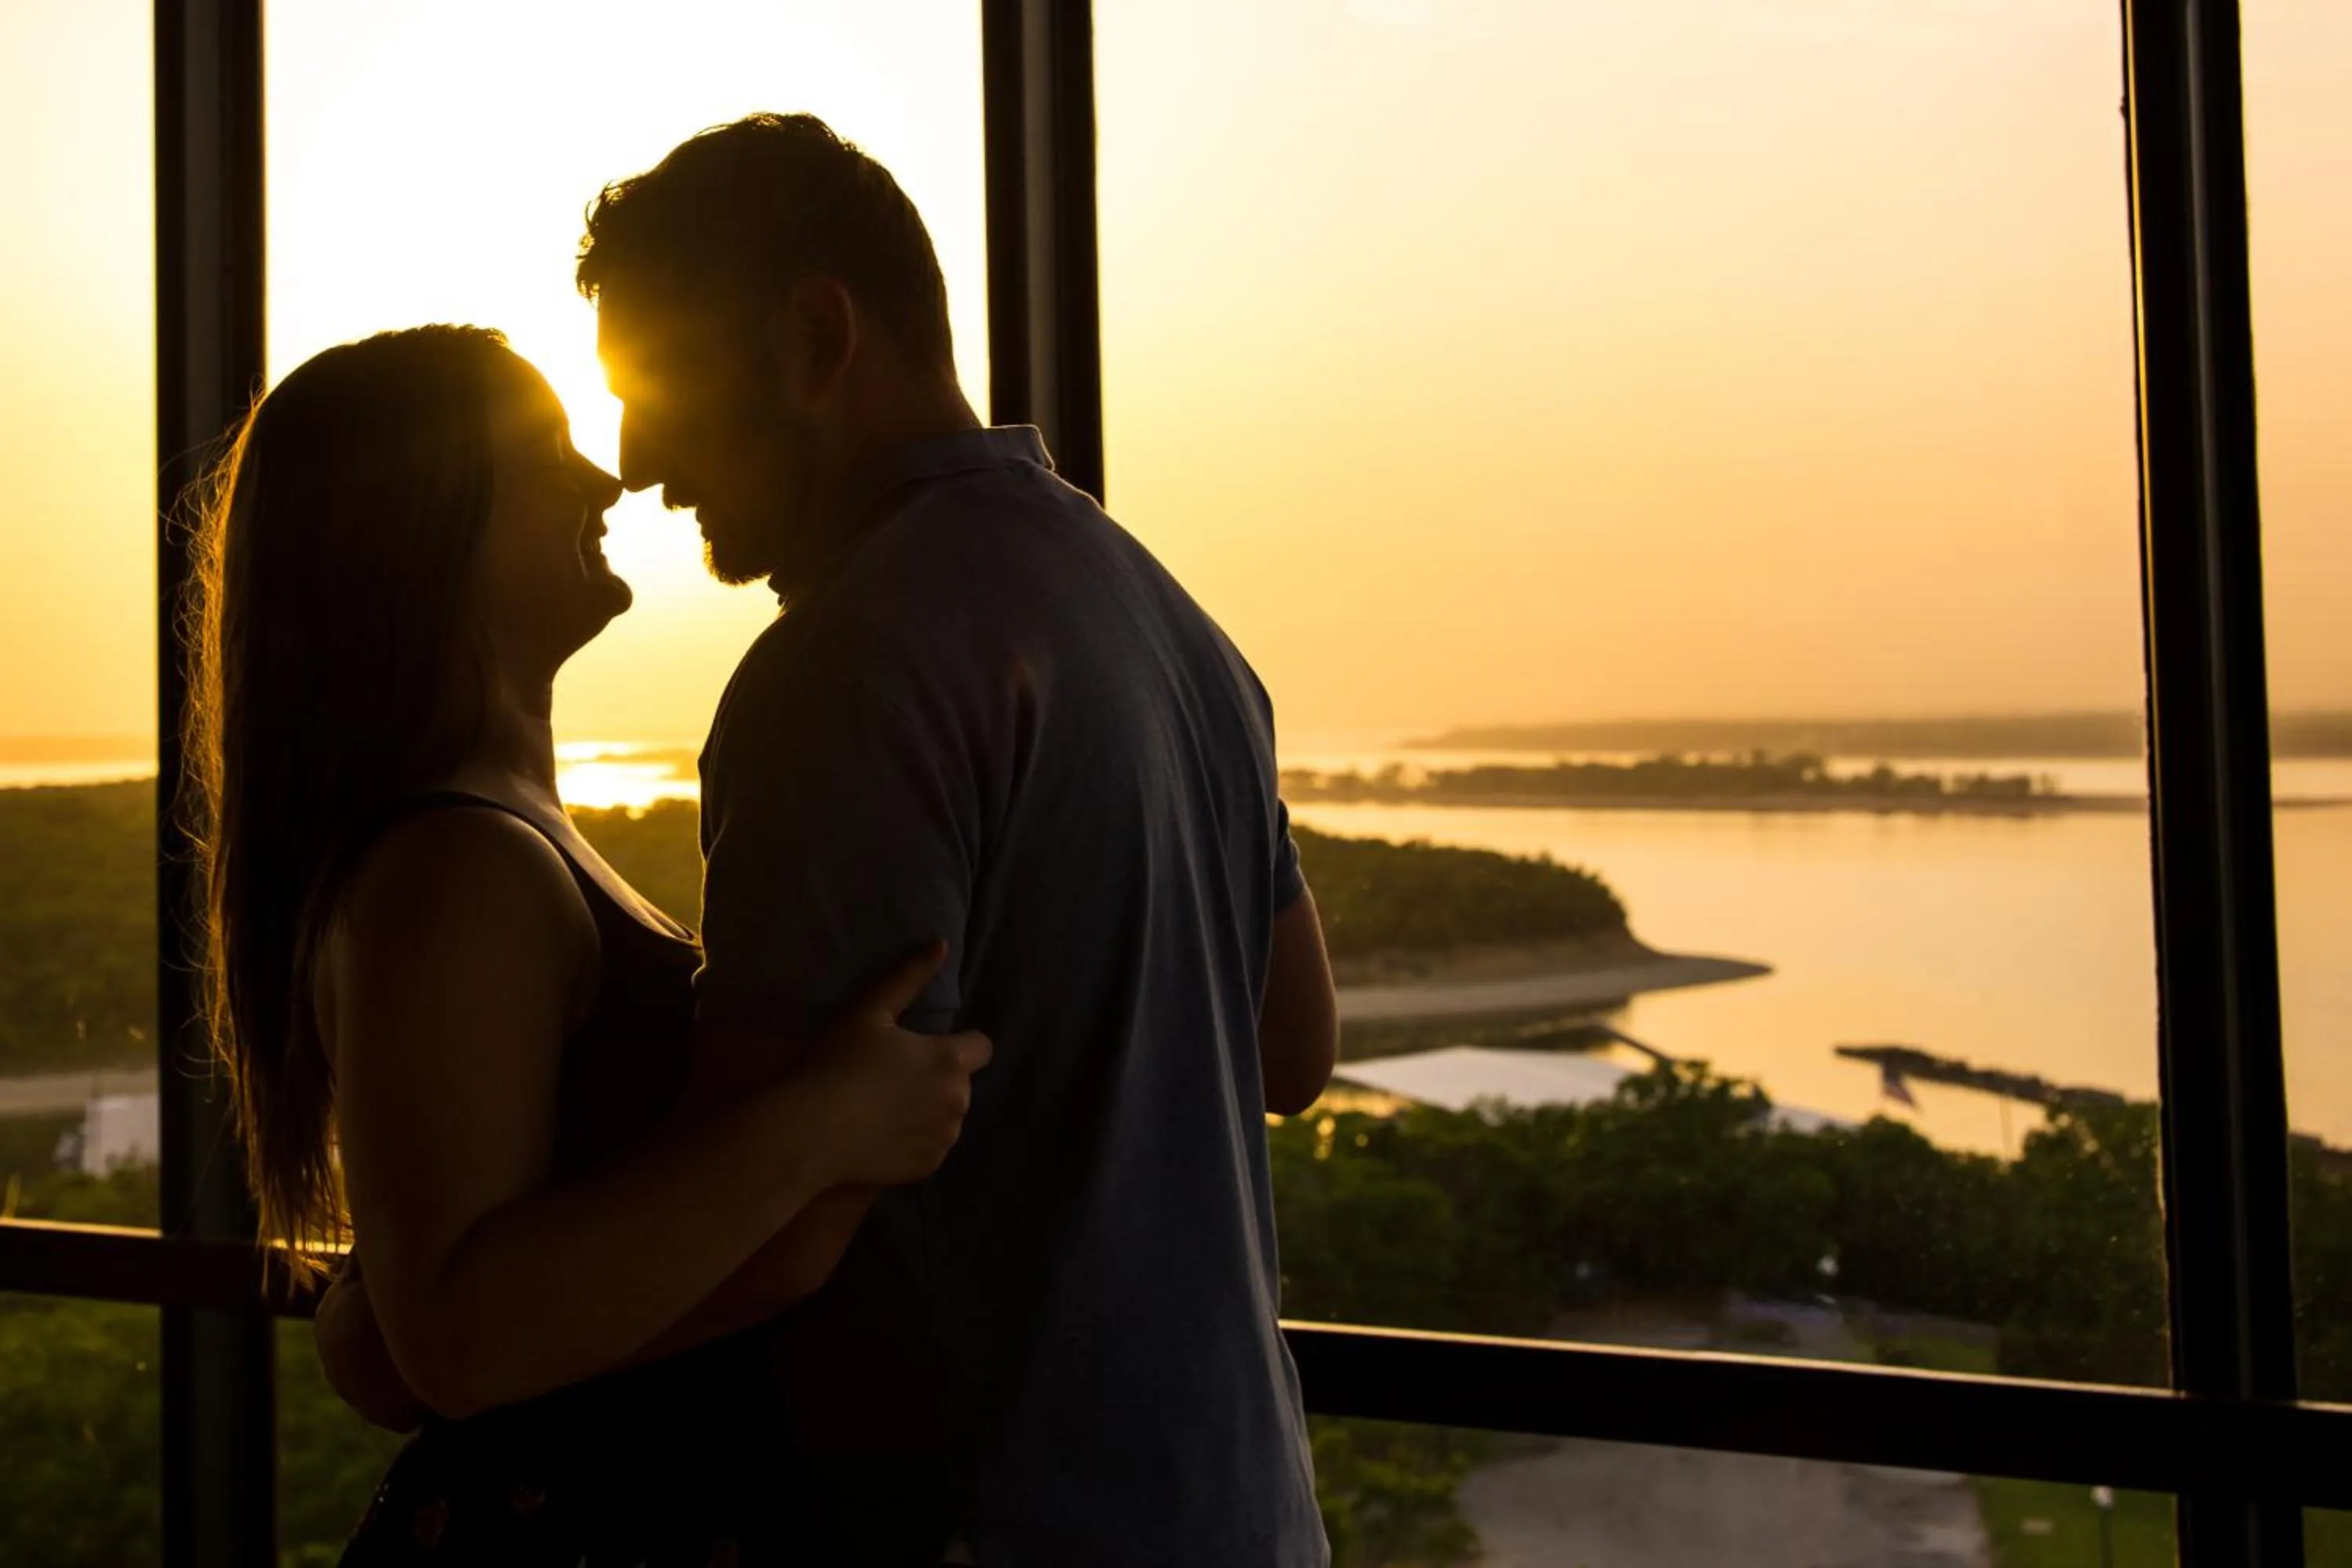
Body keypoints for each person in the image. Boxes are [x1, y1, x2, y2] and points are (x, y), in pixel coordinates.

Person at [572, 113, 1340, 1566]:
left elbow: (776, 1232)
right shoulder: (1173, 620)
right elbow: (1293, 1048)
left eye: (654, 385)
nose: (636, 461)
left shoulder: (845, 670)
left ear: (814, 334)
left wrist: (449, 1343)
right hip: (1246, 1516)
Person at [183, 323, 993, 1565]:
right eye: (544, 452)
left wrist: (381, 1310)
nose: (604, 478)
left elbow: (428, 1306)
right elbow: (458, 1337)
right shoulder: (457, 871)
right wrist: (827, 1122)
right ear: (421, 523)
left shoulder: (499, 838)